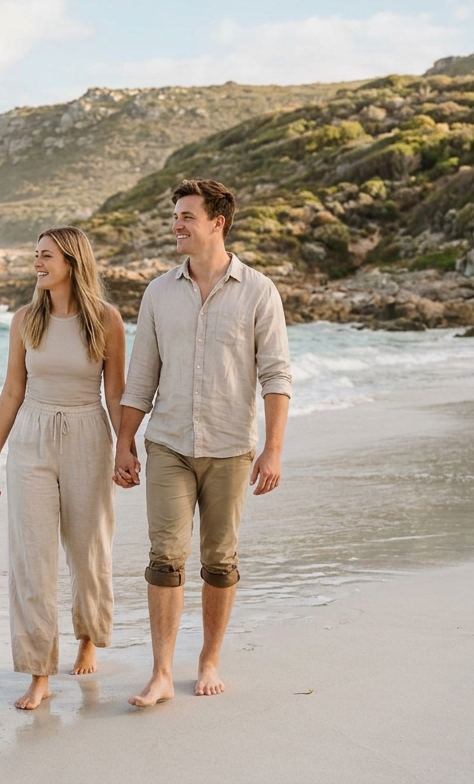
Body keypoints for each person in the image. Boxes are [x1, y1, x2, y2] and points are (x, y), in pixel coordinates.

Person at [113, 179, 292, 707]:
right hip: (167, 443)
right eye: (175, 216)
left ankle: (209, 658)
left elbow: (276, 376)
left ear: (218, 222)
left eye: (187, 216)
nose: (177, 224)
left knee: (219, 559)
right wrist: (125, 444)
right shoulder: (158, 292)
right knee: (165, 558)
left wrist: (273, 449)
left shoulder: (259, 291)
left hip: (232, 447)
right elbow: (141, 377)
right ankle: (162, 672)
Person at [0, 226, 128, 711]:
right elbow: (12, 391)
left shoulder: (106, 320)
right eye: (35, 256)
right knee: (32, 558)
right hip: (32, 439)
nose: (37, 264)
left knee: (89, 548)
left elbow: (114, 394)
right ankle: (38, 670)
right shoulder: (26, 319)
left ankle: (88, 635)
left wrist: (126, 447)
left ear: (71, 261)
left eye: (45, 256)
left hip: (89, 433)